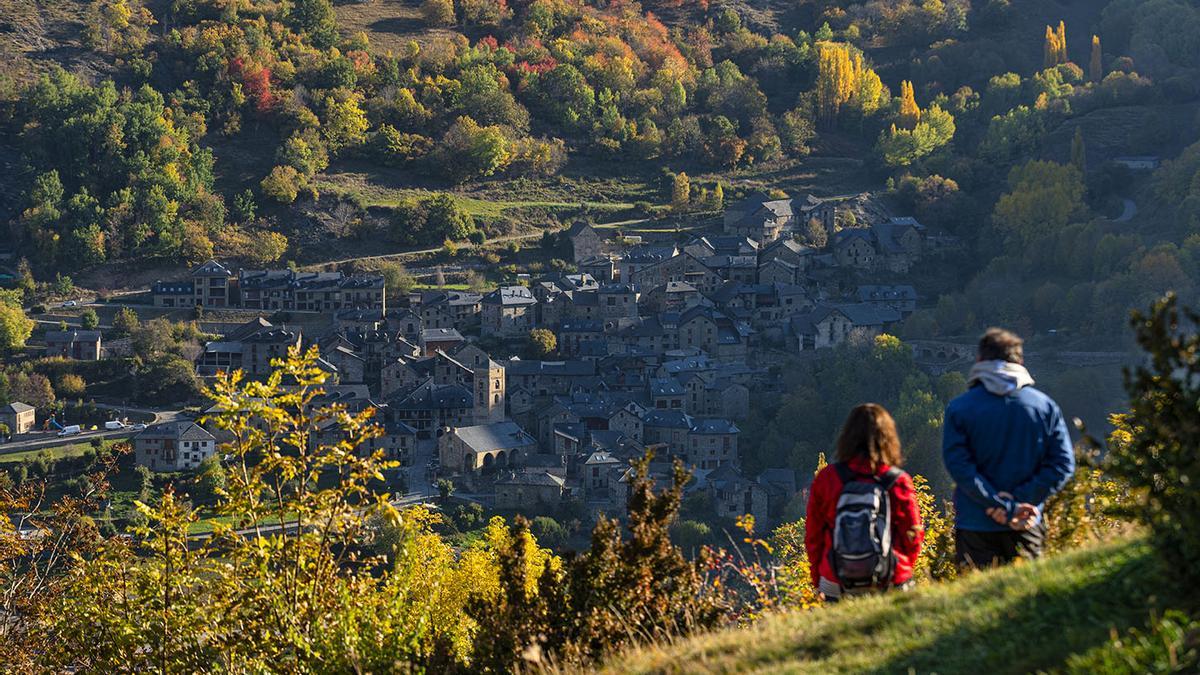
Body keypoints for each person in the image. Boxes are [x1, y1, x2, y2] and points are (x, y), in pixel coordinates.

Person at [942, 328, 1075, 570]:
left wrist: (998, 504)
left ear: (979, 360)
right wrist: (1021, 502)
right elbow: (1063, 464)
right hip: (1026, 520)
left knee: (977, 599)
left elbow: (958, 465)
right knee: (1026, 598)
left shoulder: (960, 408)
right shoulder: (1044, 407)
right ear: (1020, 361)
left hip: (976, 523)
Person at [805, 403, 924, 602]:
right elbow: (913, 533)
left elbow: (813, 537)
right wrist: (901, 569)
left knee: (842, 633)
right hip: (889, 577)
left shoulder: (827, 478)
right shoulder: (898, 481)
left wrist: (821, 579)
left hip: (836, 578)